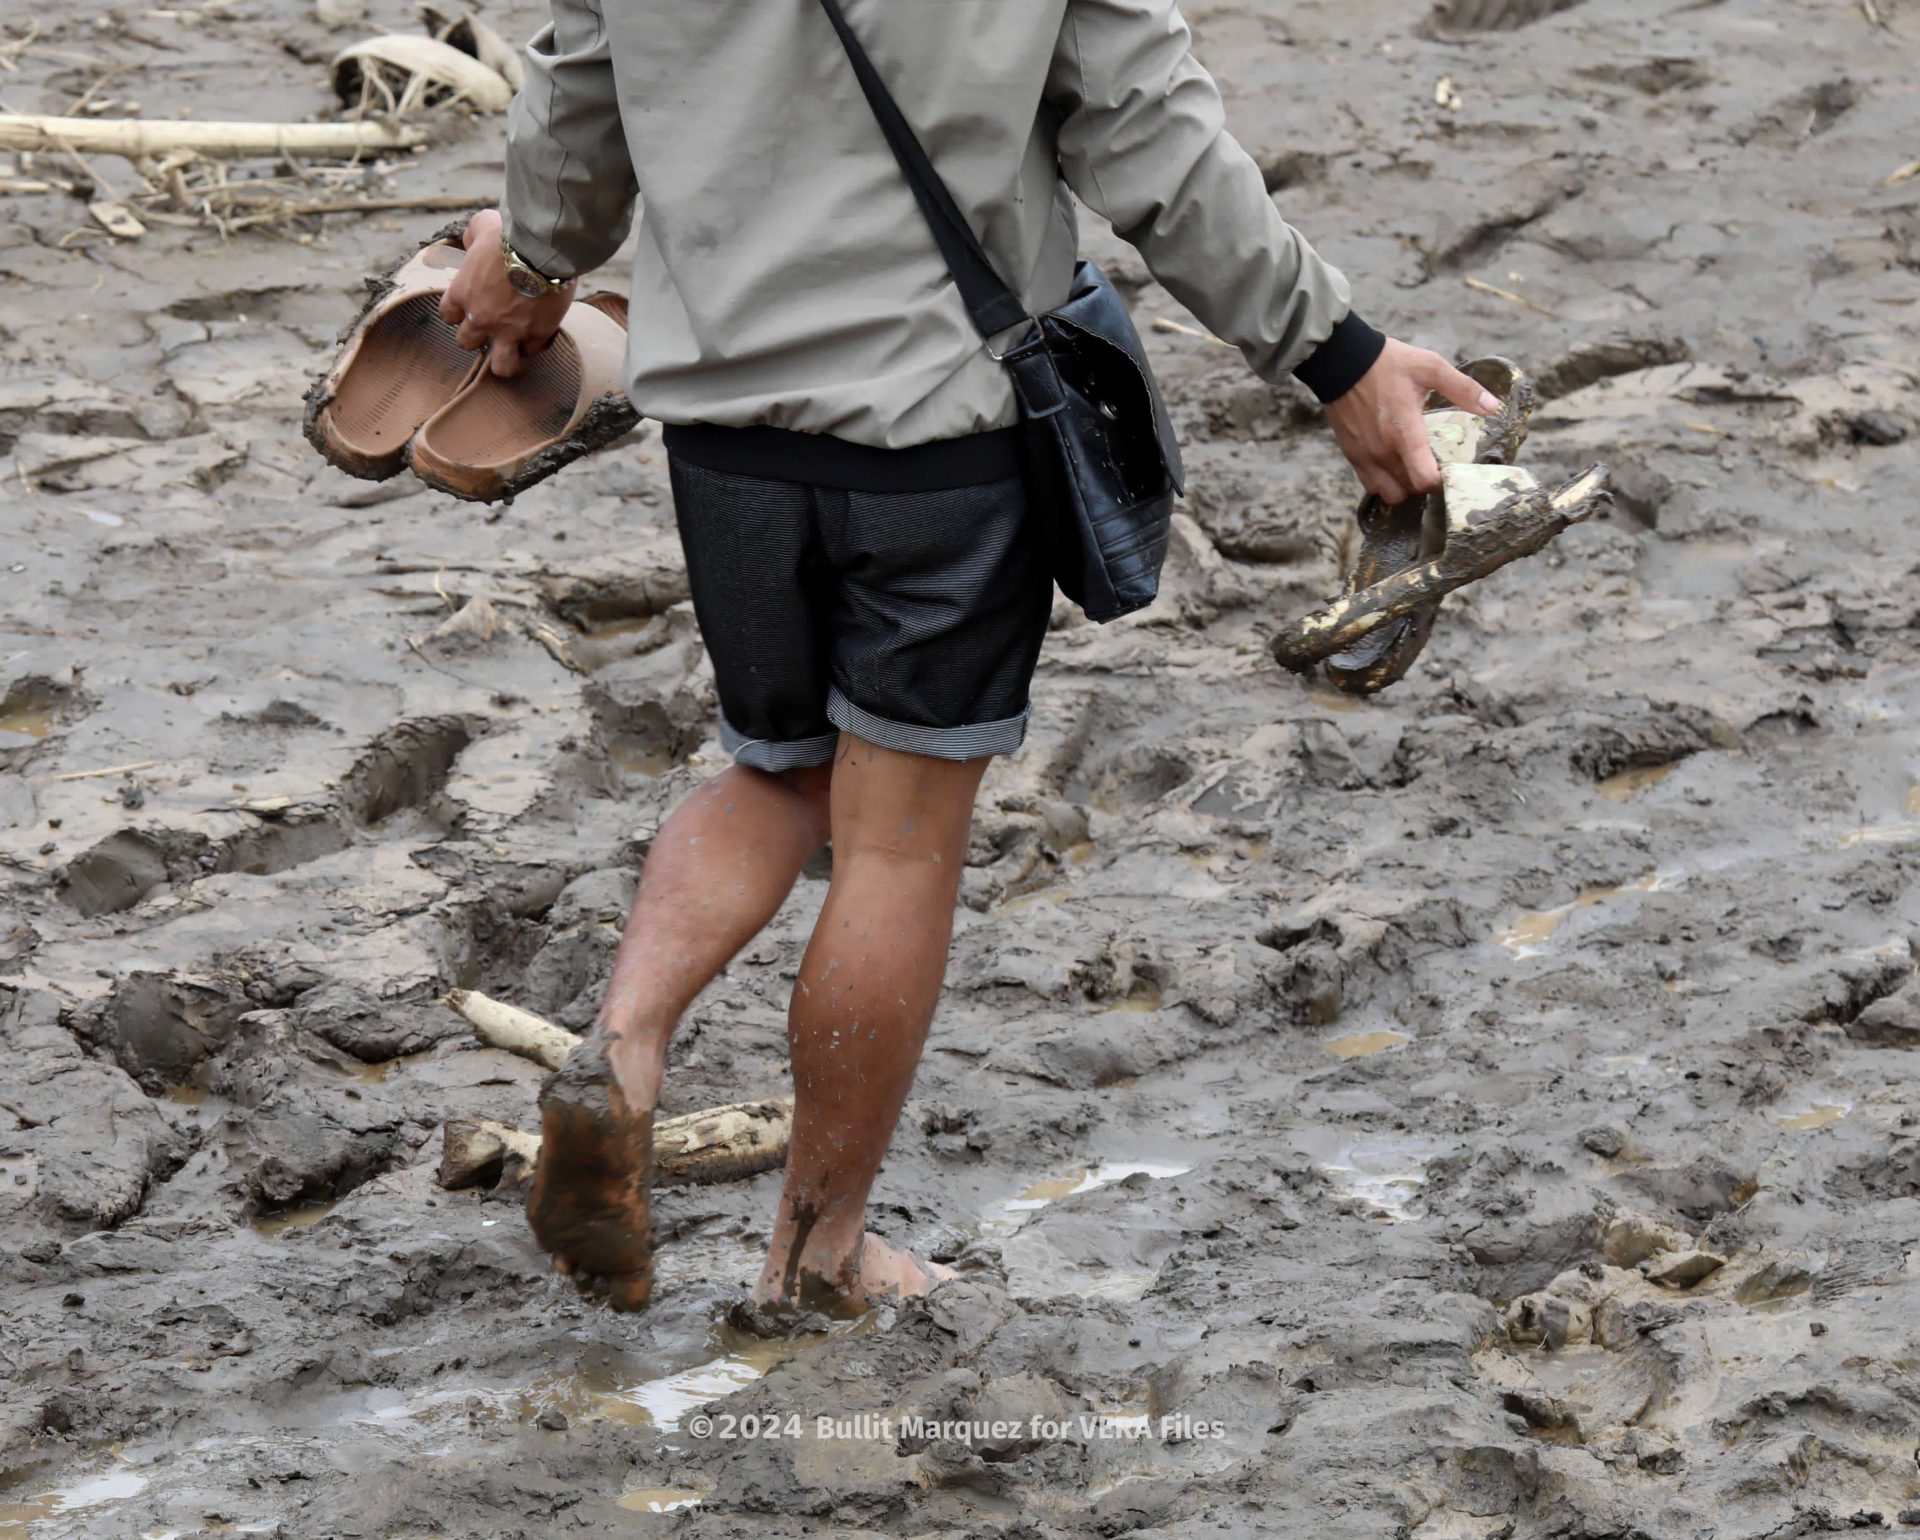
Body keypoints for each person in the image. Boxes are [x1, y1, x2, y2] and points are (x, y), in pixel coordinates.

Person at [441, 0, 1500, 1318]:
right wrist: (1338, 358)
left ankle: (626, 1046)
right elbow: (1155, 143)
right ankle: (819, 1257)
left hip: (726, 442)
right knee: (894, 842)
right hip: (942, 437)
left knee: (777, 774)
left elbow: (577, 109)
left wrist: (528, 258)